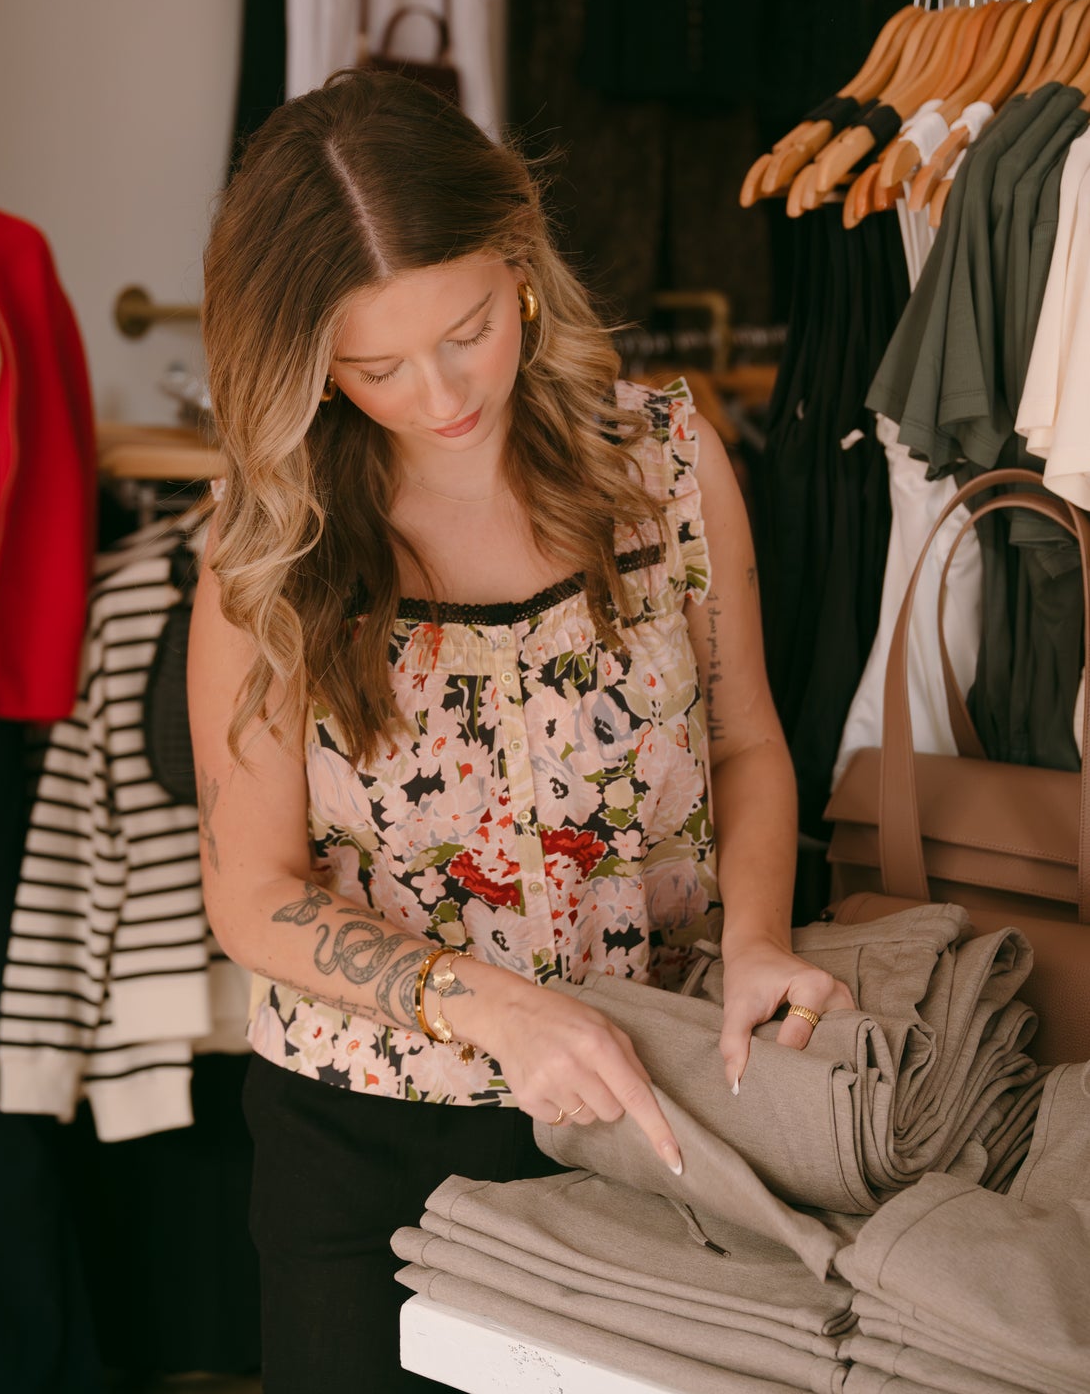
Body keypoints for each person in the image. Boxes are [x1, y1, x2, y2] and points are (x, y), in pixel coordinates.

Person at [189, 70, 854, 1392]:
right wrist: (498, 1011)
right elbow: (250, 891)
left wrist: (758, 942)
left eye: (469, 330)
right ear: (308, 363)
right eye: (374, 367)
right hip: (364, 1145)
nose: (439, 393)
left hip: (656, 1109)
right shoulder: (271, 547)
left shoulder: (664, 464)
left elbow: (745, 746)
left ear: (519, 262)